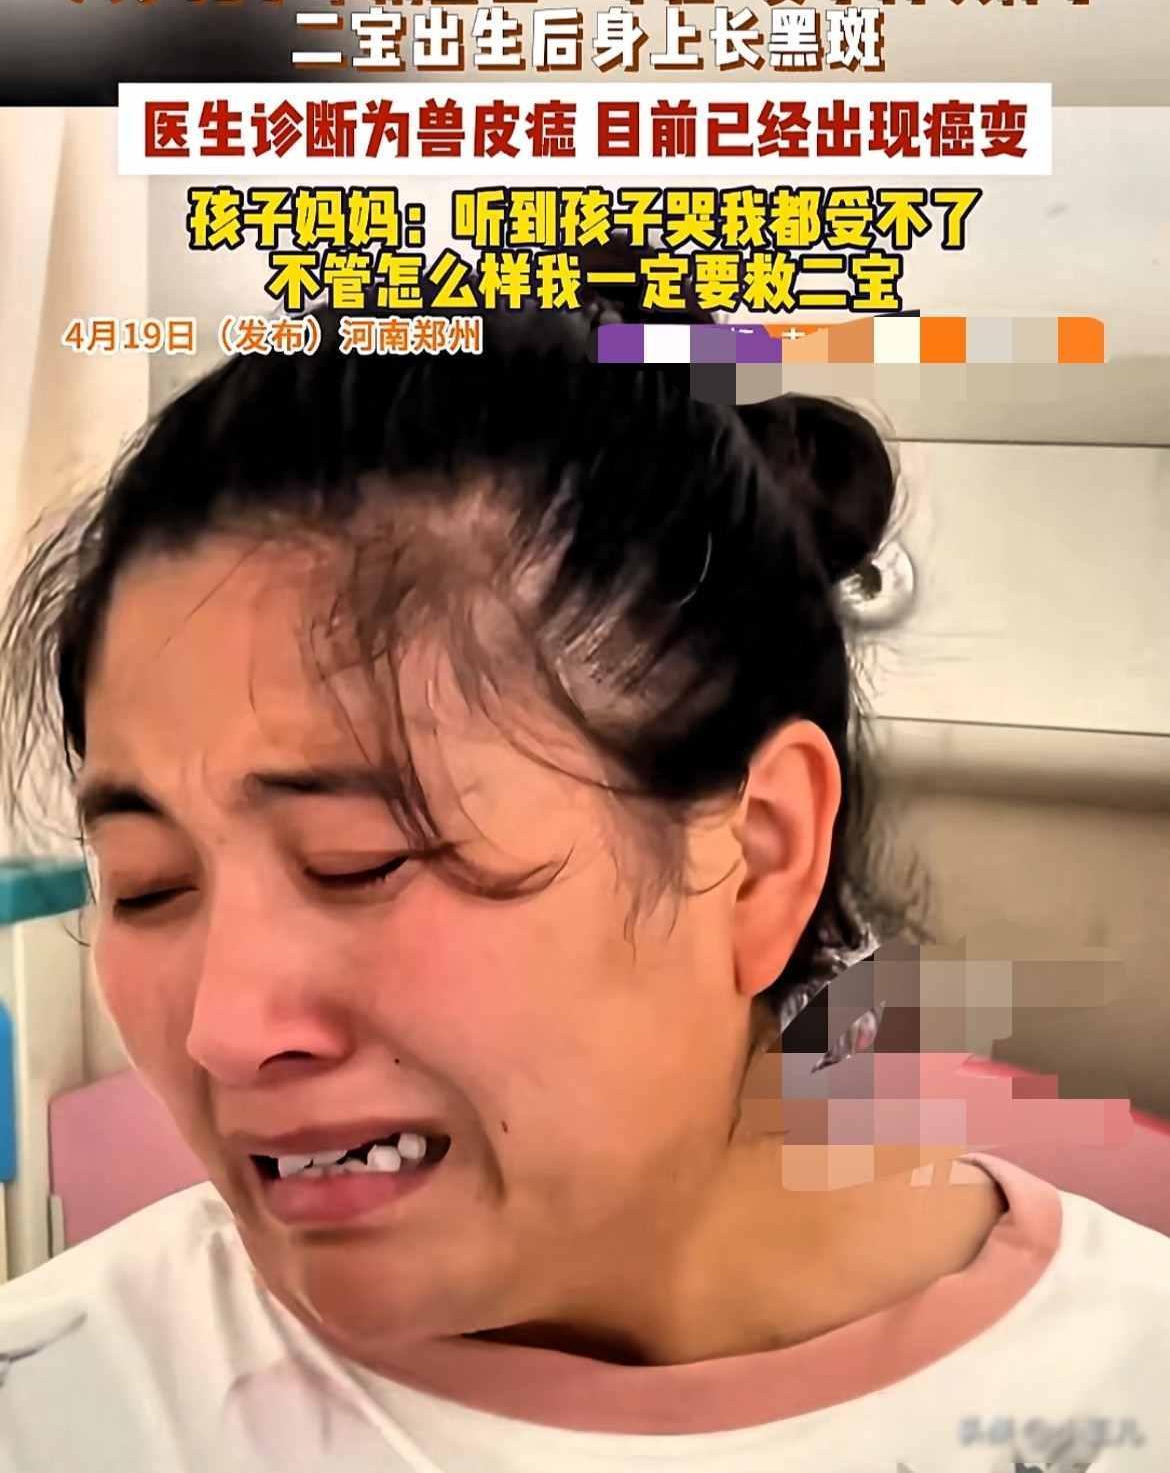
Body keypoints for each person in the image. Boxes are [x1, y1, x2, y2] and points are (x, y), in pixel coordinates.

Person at [0, 282, 1165, 1473]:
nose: (225, 1028)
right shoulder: (60, 1407)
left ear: (758, 857)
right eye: (146, 884)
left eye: (360, 860)